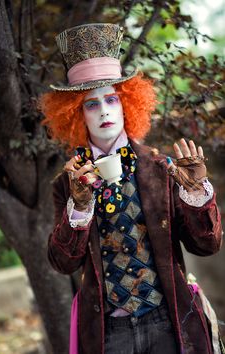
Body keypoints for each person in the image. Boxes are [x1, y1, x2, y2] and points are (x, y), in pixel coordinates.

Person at [40, 23, 223, 354]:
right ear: (75, 114)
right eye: (91, 104)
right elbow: (62, 263)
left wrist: (198, 196)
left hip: (168, 322)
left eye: (111, 99)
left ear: (128, 103)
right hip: (110, 333)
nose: (105, 110)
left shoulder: (163, 169)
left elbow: (207, 246)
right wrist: (79, 205)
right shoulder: (67, 184)